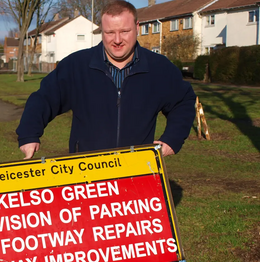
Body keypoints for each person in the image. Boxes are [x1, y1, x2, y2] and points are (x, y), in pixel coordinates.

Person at [16, 0, 196, 159]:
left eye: (125, 31)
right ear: (102, 31)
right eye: (110, 33)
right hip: (88, 171)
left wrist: (172, 139)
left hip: (137, 170)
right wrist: (29, 134)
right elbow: (44, 98)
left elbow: (183, 101)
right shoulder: (76, 66)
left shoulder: (159, 68)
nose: (117, 40)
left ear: (137, 27)